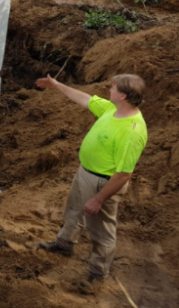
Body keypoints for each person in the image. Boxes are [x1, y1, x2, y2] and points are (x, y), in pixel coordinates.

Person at [35, 73, 147, 295]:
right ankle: (64, 243)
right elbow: (85, 99)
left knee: (102, 232)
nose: (109, 90)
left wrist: (99, 198)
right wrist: (57, 85)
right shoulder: (112, 109)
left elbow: (124, 174)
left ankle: (97, 274)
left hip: (102, 183)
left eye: (113, 88)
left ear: (123, 95)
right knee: (74, 210)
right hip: (85, 173)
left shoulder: (132, 131)